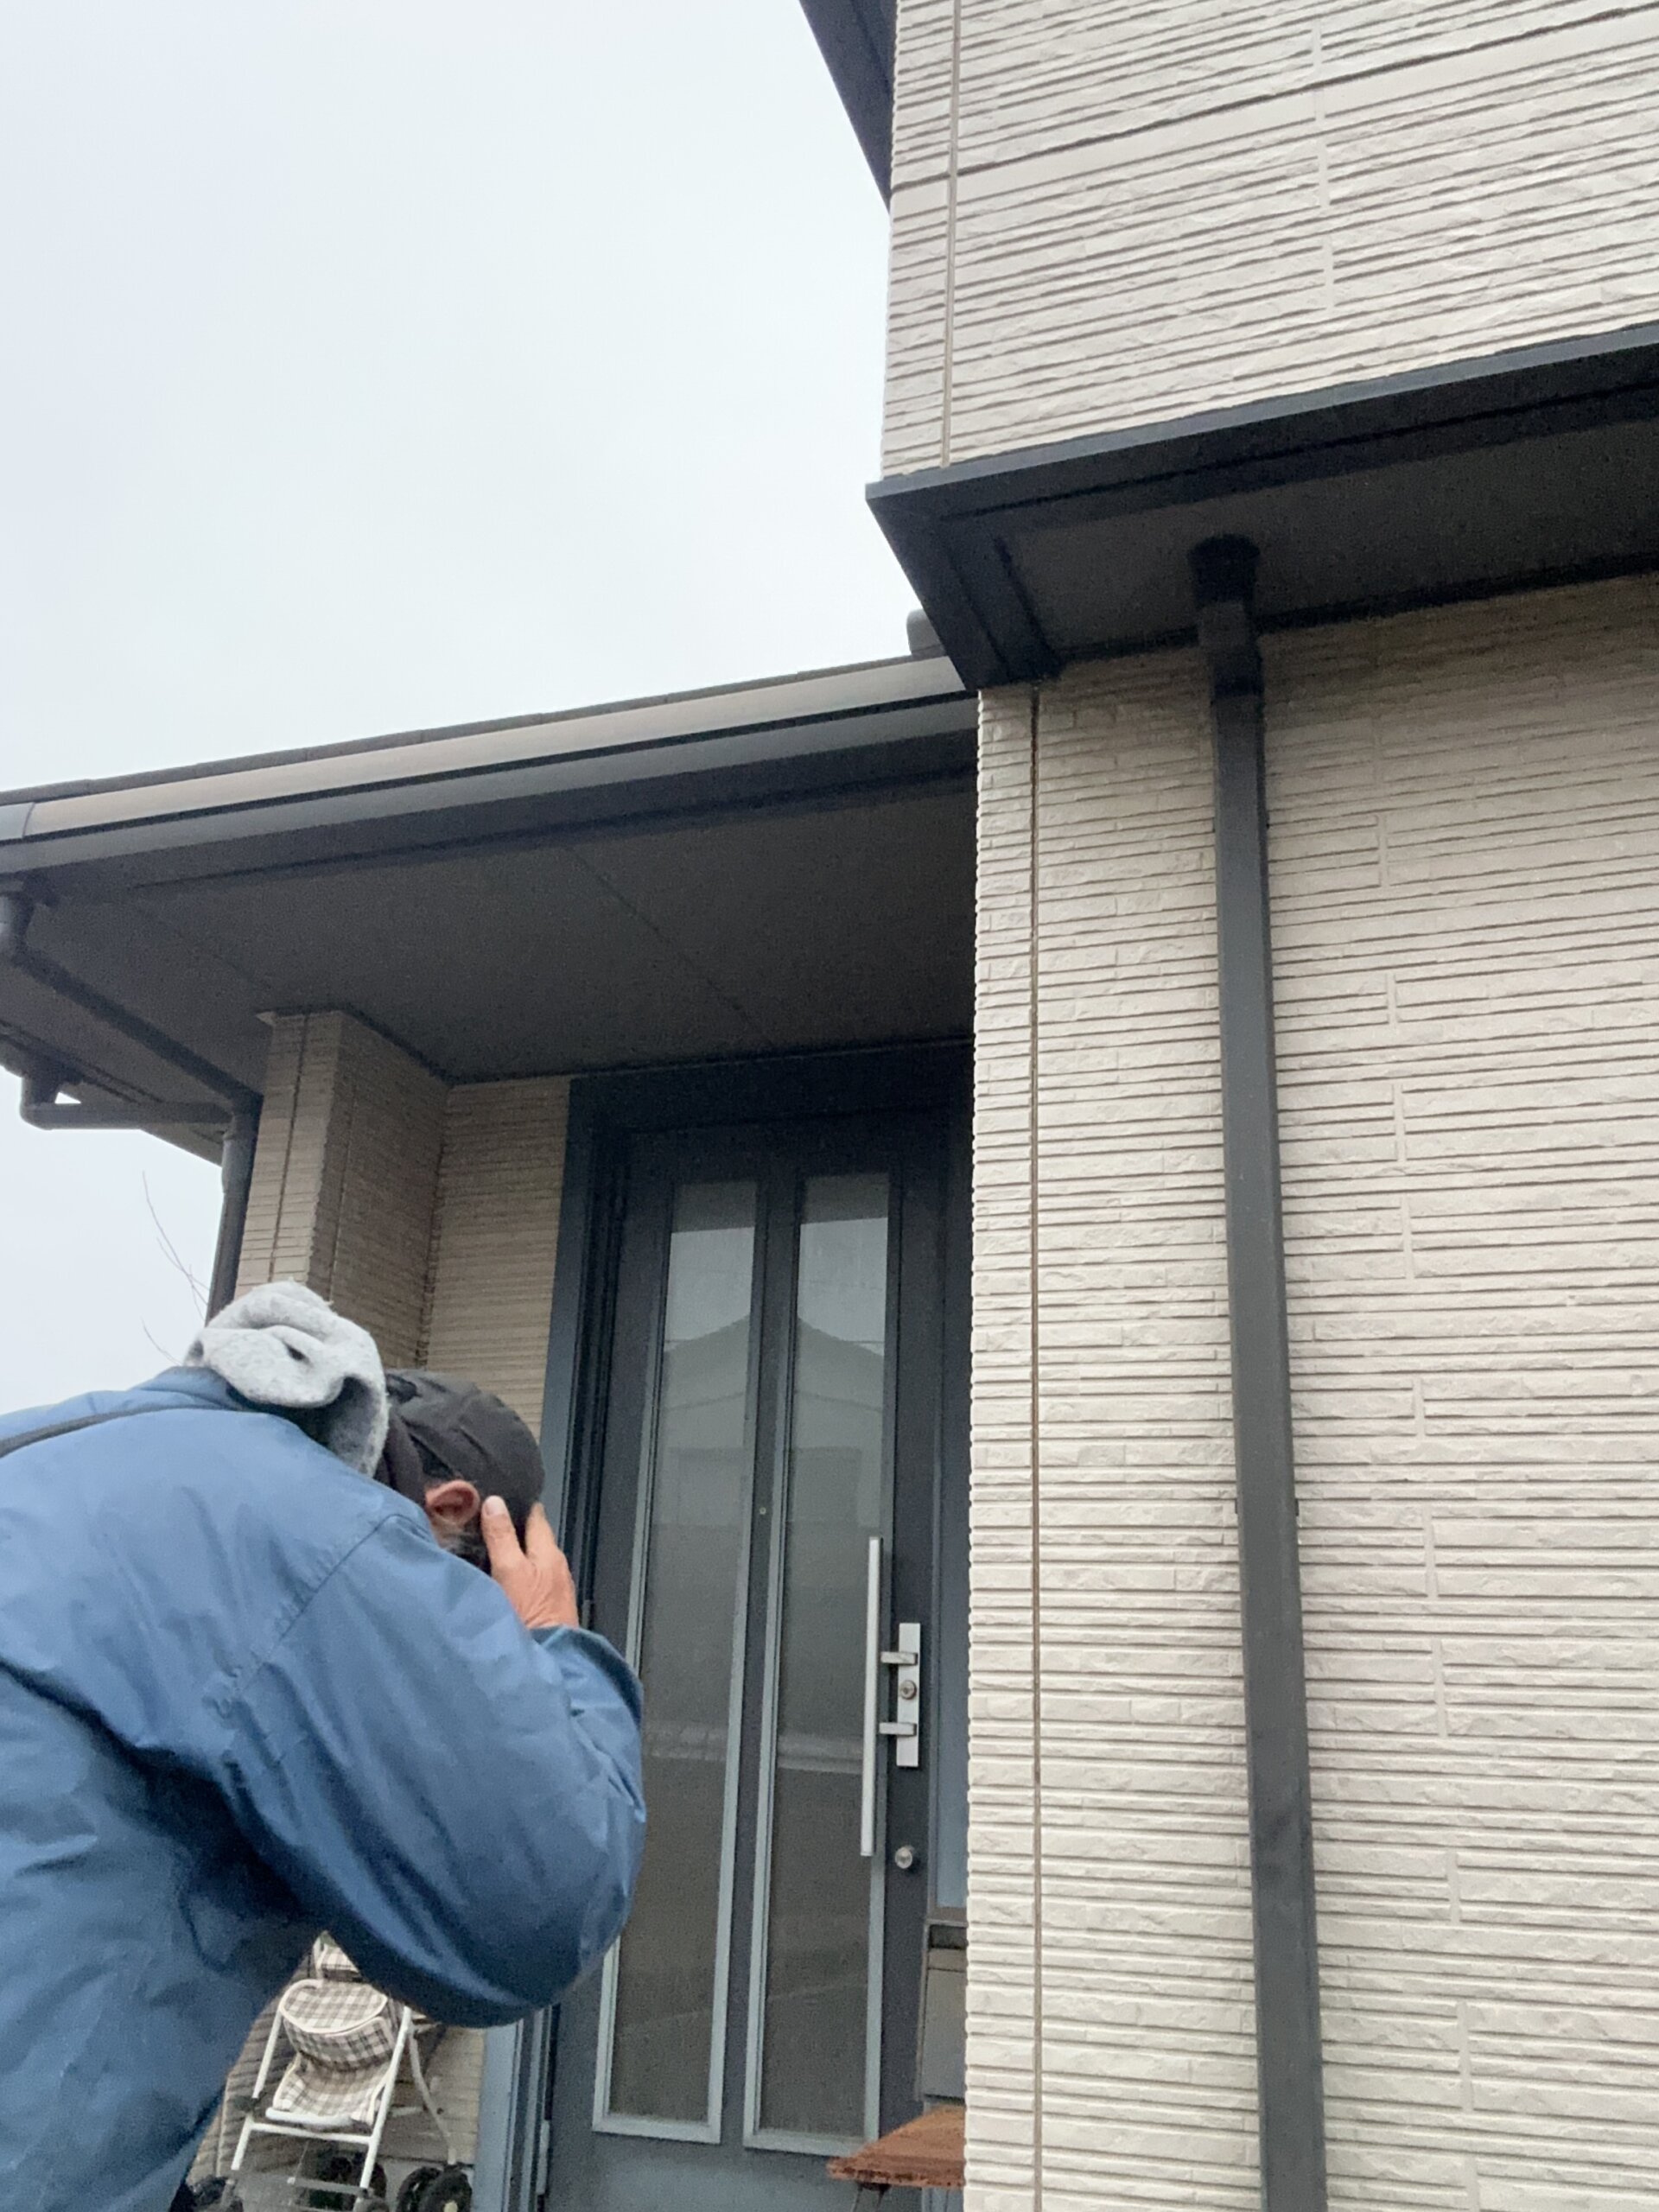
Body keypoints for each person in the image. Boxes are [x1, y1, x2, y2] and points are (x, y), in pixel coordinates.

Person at [0, 1282, 645, 2212]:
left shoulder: (49, 1447)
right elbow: (541, 1907)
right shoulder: (321, 1533)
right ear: (452, 1508)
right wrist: (547, 1639)